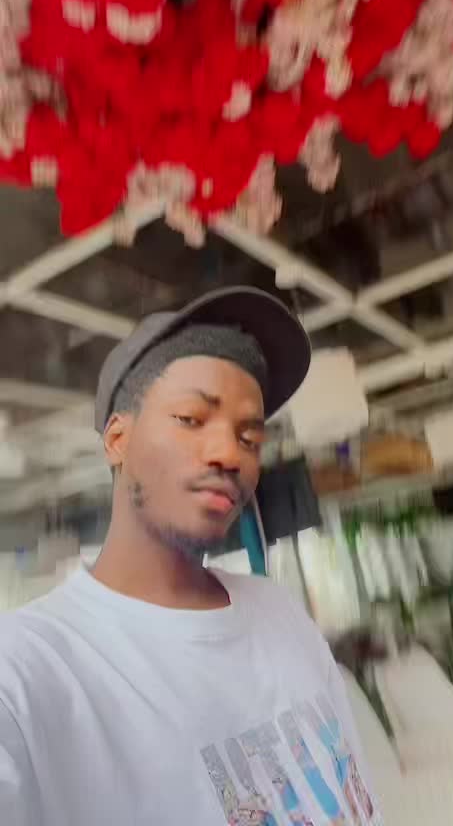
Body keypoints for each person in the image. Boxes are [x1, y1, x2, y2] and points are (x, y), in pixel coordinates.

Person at [0, 286, 382, 826]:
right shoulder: (27, 671)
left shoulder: (279, 612)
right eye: (190, 418)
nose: (229, 454)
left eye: (250, 438)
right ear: (117, 439)